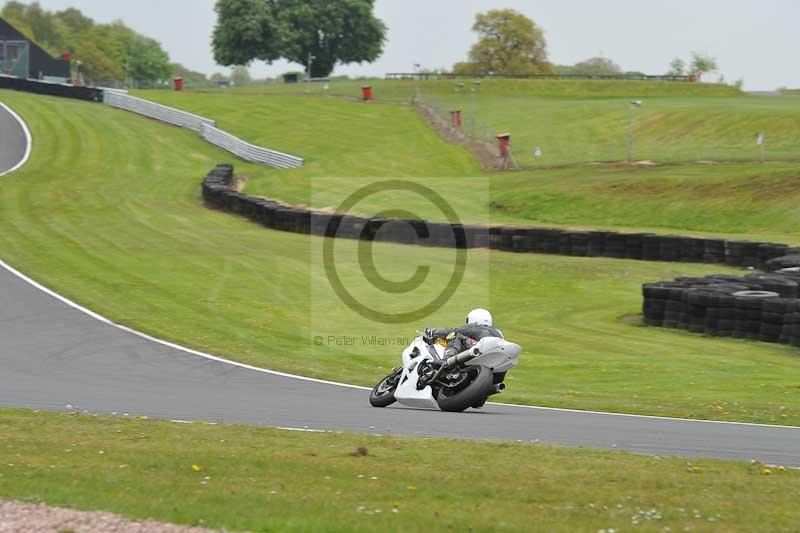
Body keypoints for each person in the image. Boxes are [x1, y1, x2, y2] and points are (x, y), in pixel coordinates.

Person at [423, 308, 504, 359]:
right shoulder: (498, 332)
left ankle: (446, 361)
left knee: (455, 336)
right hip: (497, 355)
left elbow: (452, 331)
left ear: (473, 319)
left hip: (482, 350)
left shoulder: (475, 326)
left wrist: (433, 332)